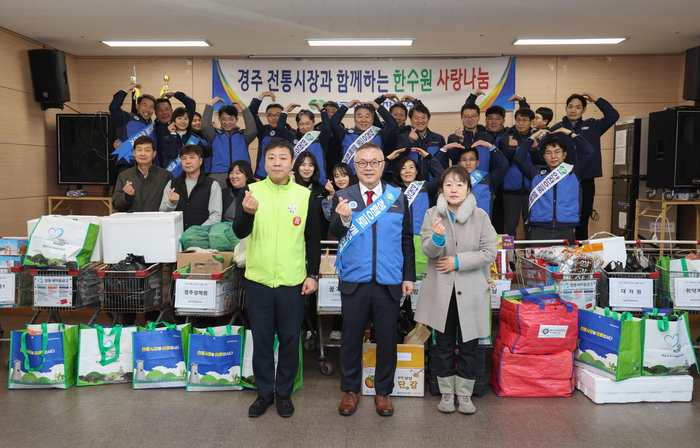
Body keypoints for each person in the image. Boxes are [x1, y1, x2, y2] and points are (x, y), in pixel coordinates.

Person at [232, 137, 321, 418]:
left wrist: (312, 274)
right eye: (271, 158)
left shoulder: (304, 196)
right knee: (261, 339)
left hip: (292, 281)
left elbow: (313, 239)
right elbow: (238, 232)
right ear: (264, 162)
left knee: (290, 338)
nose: (277, 163)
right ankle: (263, 393)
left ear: (291, 162)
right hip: (258, 280)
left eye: (283, 158)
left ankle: (283, 392)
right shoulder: (251, 191)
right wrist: (247, 213)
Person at [330, 142, 415, 417]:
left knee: (387, 339)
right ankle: (351, 390)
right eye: (363, 163)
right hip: (354, 279)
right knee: (351, 339)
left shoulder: (398, 196)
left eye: (374, 162)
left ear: (383, 165)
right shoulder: (343, 195)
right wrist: (342, 220)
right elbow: (334, 233)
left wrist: (408, 276)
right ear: (355, 167)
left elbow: (406, 241)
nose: (369, 167)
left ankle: (383, 391)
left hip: (389, 280)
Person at [415, 165, 497, 415]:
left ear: (468, 189)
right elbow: (429, 251)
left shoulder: (481, 215)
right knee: (444, 343)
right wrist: (437, 239)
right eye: (448, 184)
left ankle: (465, 394)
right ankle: (447, 392)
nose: (454, 189)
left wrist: (457, 262)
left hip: (471, 290)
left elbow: (489, 252)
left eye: (459, 184)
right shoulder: (432, 214)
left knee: (471, 344)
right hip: (441, 290)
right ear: (442, 189)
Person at [549, 92, 619, 240]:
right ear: (566, 108)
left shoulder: (593, 125)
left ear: (584, 110)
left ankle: (581, 251)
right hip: (563, 179)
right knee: (563, 214)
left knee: (584, 215)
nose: (573, 110)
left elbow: (613, 116)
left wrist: (597, 100)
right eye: (570, 106)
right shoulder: (557, 129)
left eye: (578, 107)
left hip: (586, 178)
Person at [514, 129, 594, 241]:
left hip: (566, 227)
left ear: (564, 154)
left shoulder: (574, 171)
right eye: (548, 153)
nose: (553, 156)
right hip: (539, 227)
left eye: (557, 152)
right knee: (536, 259)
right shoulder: (535, 173)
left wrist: (571, 133)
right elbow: (519, 158)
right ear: (544, 157)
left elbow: (590, 152)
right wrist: (533, 137)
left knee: (565, 258)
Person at [389, 149, 445, 274]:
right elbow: (377, 177)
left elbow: (442, 175)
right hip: (399, 237)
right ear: (399, 172)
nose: (408, 171)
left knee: (422, 272)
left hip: (421, 236)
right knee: (400, 271)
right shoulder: (392, 189)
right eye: (403, 168)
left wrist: (429, 157)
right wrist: (388, 159)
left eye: (411, 167)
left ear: (417, 171)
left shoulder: (425, 186)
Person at [321, 162, 357, 341]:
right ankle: (337, 326)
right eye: (336, 176)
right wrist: (331, 196)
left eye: (343, 175)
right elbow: (330, 220)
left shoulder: (359, 193)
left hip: (357, 247)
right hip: (337, 245)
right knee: (338, 285)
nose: (340, 179)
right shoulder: (333, 197)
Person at [435, 143, 509, 218]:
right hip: (457, 223)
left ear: (477, 163)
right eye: (464, 160)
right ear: (459, 163)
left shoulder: (488, 178)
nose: (468, 163)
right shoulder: (451, 179)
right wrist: (444, 149)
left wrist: (490, 146)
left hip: (481, 224)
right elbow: (433, 166)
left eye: (472, 159)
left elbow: (504, 166)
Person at [498, 108, 540, 237]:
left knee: (531, 225)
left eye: (525, 120)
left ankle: (530, 254)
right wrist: (510, 149)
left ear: (532, 122)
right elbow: (502, 164)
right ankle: (509, 255)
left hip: (532, 189)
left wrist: (534, 150)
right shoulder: (505, 139)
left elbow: (542, 163)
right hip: (510, 189)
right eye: (518, 120)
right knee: (510, 226)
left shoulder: (538, 138)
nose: (521, 123)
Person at [159, 144, 222, 230]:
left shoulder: (212, 185)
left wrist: (197, 233)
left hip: (201, 238)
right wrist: (171, 203)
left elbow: (216, 215)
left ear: (200, 161)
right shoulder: (172, 184)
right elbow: (162, 213)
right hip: (176, 236)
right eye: (184, 158)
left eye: (192, 157)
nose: (188, 161)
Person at [201, 98, 257, 189]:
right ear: (219, 119)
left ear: (237, 119)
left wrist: (244, 109)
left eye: (231, 119)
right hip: (218, 174)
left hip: (241, 174)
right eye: (223, 119)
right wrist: (210, 105)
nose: (227, 122)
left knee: (242, 201)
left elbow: (252, 130)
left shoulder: (243, 136)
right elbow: (204, 127)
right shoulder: (214, 135)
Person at [330, 98, 398, 172]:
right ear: (354, 118)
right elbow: (333, 123)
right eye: (360, 116)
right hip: (350, 179)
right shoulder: (345, 133)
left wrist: (379, 108)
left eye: (367, 116)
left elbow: (393, 125)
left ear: (372, 119)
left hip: (372, 177)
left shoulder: (379, 134)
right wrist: (346, 106)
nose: (363, 120)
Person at [113, 135, 173, 212]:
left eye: (147, 150)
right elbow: (117, 206)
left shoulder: (166, 176)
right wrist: (127, 196)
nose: (143, 154)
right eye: (139, 150)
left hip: (156, 222)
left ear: (154, 154)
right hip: (133, 222)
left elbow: (171, 205)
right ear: (134, 153)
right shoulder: (124, 176)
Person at [394, 99, 447, 180]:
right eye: (416, 118)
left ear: (428, 119)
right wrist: (410, 141)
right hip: (409, 186)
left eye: (423, 117)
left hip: (433, 185)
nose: (420, 121)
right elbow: (397, 158)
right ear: (411, 120)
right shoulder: (402, 137)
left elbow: (444, 165)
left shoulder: (438, 139)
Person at [109, 83, 157, 172]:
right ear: (137, 106)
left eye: (151, 107)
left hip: (147, 167)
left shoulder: (154, 126)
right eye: (144, 105)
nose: (147, 109)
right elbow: (114, 107)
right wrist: (127, 89)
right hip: (127, 165)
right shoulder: (126, 118)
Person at [249, 91, 294, 179]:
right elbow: (251, 113)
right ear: (267, 117)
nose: (274, 118)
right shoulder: (263, 131)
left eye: (278, 115)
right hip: (264, 176)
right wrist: (261, 96)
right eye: (270, 115)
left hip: (284, 176)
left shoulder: (290, 132)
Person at [281, 106, 331, 184]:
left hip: (318, 182)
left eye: (308, 123)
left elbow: (327, 128)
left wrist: (323, 111)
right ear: (297, 124)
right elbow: (280, 128)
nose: (305, 127)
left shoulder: (320, 137)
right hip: (297, 182)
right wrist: (285, 111)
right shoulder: (291, 137)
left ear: (314, 122)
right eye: (301, 124)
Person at [293, 151, 331, 239]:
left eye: (310, 165)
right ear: (297, 167)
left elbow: (327, 218)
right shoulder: (289, 186)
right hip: (295, 236)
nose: (307, 168)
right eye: (303, 165)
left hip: (316, 237)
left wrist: (331, 194)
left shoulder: (322, 189)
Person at [154, 91, 196, 167]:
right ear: (155, 113)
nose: (164, 113)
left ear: (172, 110)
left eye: (167, 109)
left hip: (183, 168)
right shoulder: (152, 128)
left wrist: (175, 94)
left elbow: (191, 103)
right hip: (160, 168)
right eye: (160, 110)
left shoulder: (180, 124)